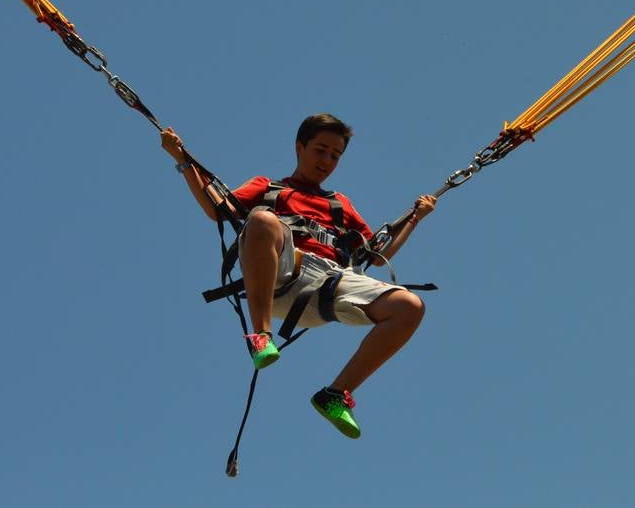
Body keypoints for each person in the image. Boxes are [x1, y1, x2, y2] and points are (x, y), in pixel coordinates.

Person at [160, 112, 435, 439]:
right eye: (320, 150)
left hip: (328, 285)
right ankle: (261, 336)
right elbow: (219, 210)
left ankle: (335, 395)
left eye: (335, 155)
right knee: (262, 220)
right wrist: (182, 160)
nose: (327, 160)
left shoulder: (339, 204)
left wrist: (415, 219)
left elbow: (375, 256)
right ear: (299, 147)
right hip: (281, 274)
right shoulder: (269, 187)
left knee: (409, 306)